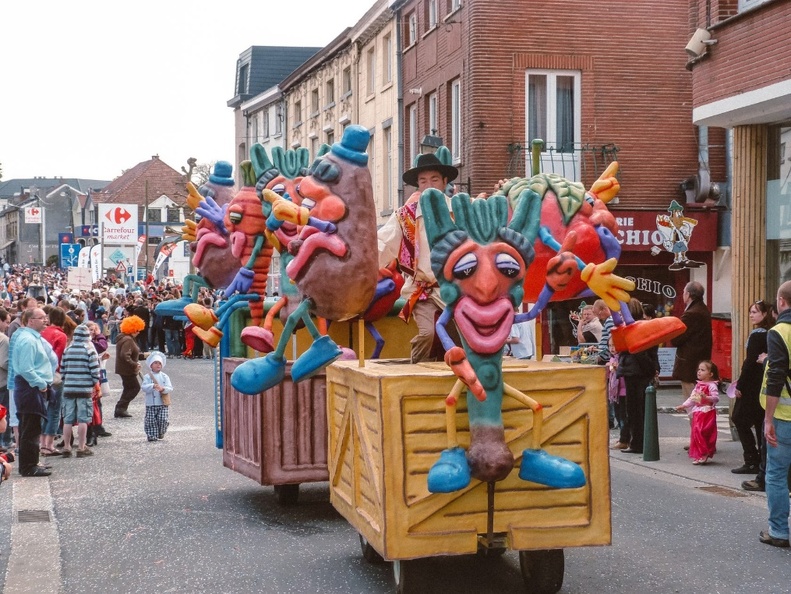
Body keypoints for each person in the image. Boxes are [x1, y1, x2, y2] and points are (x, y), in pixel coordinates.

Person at [377, 153, 461, 363]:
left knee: (463, 337)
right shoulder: (405, 215)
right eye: (423, 181)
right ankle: (416, 370)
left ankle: (463, 378)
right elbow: (382, 244)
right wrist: (363, 267)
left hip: (457, 290)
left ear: (444, 182)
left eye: (434, 179)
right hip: (423, 289)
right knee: (427, 334)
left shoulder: (458, 212)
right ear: (418, 185)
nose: (429, 184)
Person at [758, 281, 791, 547]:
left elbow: (776, 376)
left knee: (777, 474)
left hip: (785, 418)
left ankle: (779, 531)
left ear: (781, 302)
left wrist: (768, 418)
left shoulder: (779, 332)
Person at [12, 308, 55, 477]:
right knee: (30, 428)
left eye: (46, 317)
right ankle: (28, 466)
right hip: (30, 388)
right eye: (41, 318)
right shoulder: (28, 340)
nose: (45, 320)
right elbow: (26, 369)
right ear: (30, 321)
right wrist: (41, 383)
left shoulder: (31, 337)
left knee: (32, 427)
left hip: (32, 387)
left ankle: (32, 462)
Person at [732, 299, 771, 476]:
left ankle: (751, 459)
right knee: (758, 421)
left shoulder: (758, 335)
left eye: (755, 312)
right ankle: (762, 460)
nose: (751, 315)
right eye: (750, 312)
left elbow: (749, 362)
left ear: (765, 314)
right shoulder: (772, 333)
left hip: (752, 384)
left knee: (738, 418)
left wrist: (740, 384)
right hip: (763, 384)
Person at [616, 298, 660, 454]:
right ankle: (639, 442)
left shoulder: (635, 328)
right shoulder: (644, 326)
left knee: (635, 410)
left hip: (635, 372)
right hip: (639, 371)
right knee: (638, 410)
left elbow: (639, 351)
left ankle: (638, 444)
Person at [60, 325, 101, 458]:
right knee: (83, 418)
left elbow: (62, 370)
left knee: (68, 419)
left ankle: (67, 446)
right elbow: (95, 371)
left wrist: (67, 381)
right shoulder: (89, 350)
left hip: (68, 388)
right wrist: (94, 383)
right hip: (84, 388)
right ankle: (82, 447)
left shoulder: (68, 349)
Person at [671, 281, 713, 402]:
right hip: (699, 363)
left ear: (688, 294)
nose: (683, 294)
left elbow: (677, 338)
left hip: (689, 365)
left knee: (692, 402)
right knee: (698, 401)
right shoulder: (702, 309)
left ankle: (696, 422)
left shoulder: (691, 314)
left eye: (684, 292)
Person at [676, 360, 720, 465]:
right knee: (696, 432)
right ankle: (699, 454)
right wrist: (684, 405)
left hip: (707, 412)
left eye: (703, 370)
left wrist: (707, 397)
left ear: (711, 374)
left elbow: (716, 398)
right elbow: (693, 399)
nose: (699, 372)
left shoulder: (711, 386)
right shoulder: (698, 385)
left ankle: (705, 453)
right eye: (699, 369)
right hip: (698, 412)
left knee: (703, 432)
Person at [40, 307, 69, 457]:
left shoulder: (42, 333)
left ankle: (42, 443)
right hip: (55, 375)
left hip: (41, 374)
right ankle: (49, 445)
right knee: (54, 410)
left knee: (42, 409)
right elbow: (57, 358)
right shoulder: (61, 335)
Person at [114, 315, 146, 418]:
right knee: (134, 388)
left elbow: (130, 354)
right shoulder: (128, 339)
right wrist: (134, 364)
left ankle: (121, 409)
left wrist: (143, 356)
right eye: (137, 330)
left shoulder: (125, 338)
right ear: (133, 329)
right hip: (127, 369)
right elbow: (125, 355)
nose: (138, 332)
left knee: (128, 388)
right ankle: (120, 407)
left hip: (124, 368)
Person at [141, 351, 173, 442]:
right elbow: (143, 387)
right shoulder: (147, 377)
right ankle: (151, 435)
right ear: (151, 365)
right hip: (151, 403)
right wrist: (152, 386)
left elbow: (170, 387)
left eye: (159, 363)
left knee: (163, 419)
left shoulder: (165, 376)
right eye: (155, 363)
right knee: (150, 420)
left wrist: (163, 389)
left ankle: (161, 431)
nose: (158, 365)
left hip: (162, 403)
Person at [0, 309, 10, 451]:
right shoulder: (3, 339)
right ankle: (3, 442)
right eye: (7, 322)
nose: (8, 325)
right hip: (2, 382)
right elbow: (4, 362)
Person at [593, 300, 614, 364]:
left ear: (605, 309)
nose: (599, 317)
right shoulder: (609, 320)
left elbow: (612, 340)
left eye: (599, 314)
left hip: (605, 358)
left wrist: (602, 356)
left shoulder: (609, 321)